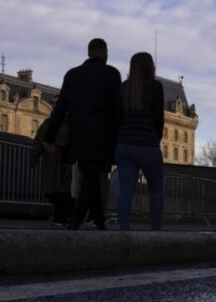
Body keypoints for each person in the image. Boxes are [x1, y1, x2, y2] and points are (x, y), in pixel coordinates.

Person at [45, 38, 122, 230]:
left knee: (90, 176)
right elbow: (118, 108)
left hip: (78, 135)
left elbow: (61, 108)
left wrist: (49, 135)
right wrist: (120, 136)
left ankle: (97, 220)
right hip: (102, 136)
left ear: (88, 53)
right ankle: (77, 219)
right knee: (92, 177)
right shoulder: (111, 74)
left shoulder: (72, 75)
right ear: (105, 53)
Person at [114, 52, 165, 230]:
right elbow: (159, 119)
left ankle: (124, 230)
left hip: (124, 145)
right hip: (148, 145)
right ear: (150, 66)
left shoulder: (124, 88)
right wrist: (155, 139)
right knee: (156, 191)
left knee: (125, 192)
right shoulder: (156, 87)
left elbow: (117, 118)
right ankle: (156, 230)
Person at [31, 94, 73, 227]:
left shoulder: (71, 122)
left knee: (63, 190)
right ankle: (63, 215)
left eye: (57, 103)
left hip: (65, 161)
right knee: (50, 191)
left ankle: (61, 217)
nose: (54, 106)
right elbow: (39, 140)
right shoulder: (48, 123)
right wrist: (34, 155)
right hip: (51, 160)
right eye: (53, 103)